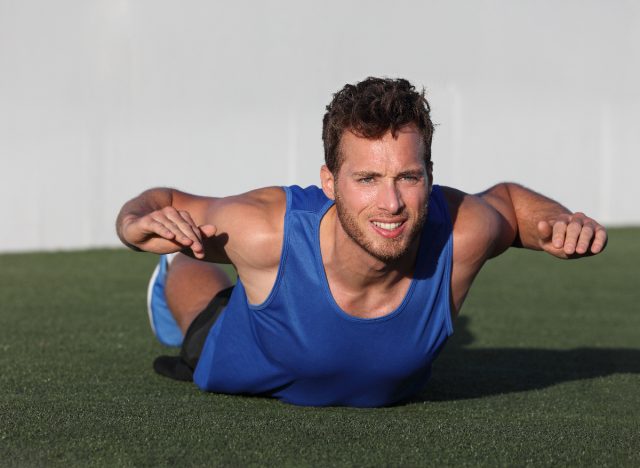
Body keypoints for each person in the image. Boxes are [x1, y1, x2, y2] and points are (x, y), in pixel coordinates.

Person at [116, 77, 607, 407]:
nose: (390, 203)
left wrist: (558, 221)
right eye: (367, 178)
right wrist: (134, 227)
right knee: (197, 286)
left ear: (430, 176)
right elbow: (162, 200)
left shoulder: (462, 231)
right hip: (245, 354)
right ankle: (171, 277)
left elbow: (510, 203)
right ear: (330, 182)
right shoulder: (265, 229)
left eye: (408, 177)